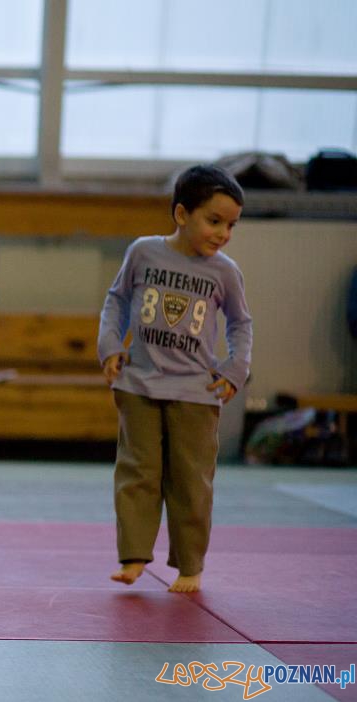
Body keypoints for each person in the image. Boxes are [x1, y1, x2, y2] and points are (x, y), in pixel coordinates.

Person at [97, 164, 252, 594]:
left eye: (232, 225)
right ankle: (133, 558)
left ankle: (189, 567)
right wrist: (110, 345)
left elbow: (241, 324)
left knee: (190, 483)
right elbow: (117, 301)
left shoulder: (224, 272)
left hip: (196, 394)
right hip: (140, 385)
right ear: (182, 215)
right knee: (137, 473)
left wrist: (235, 368)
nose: (223, 233)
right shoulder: (144, 253)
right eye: (214, 221)